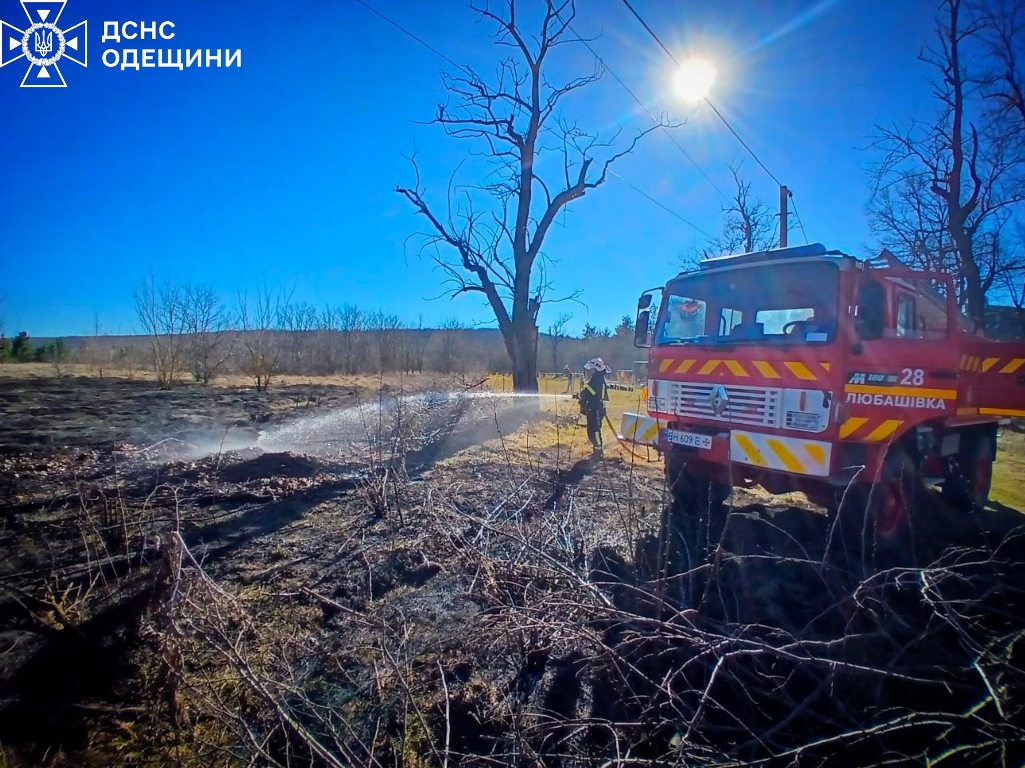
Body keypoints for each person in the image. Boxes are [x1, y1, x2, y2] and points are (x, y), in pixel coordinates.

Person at [578, 358, 610, 457]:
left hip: (596, 409)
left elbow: (589, 392)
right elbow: (591, 393)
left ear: (596, 368)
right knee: (593, 430)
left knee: (594, 431)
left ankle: (598, 452)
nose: (590, 372)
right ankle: (597, 450)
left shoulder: (597, 380)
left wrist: (582, 397)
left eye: (591, 369)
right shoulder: (598, 378)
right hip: (596, 408)